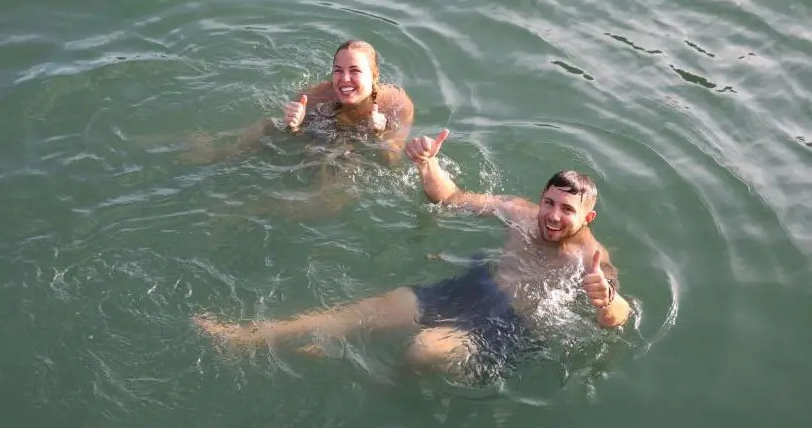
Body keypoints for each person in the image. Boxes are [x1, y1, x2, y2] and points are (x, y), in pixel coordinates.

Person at [193, 129, 630, 379]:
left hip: (506, 326)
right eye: (550, 203)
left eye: (567, 210)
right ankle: (248, 337)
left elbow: (618, 316)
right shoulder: (521, 213)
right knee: (366, 310)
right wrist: (428, 165)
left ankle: (382, 383)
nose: (553, 215)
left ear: (587, 217)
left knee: (423, 351)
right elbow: (451, 197)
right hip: (472, 288)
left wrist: (606, 300)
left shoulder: (589, 257)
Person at [187, 40, 415, 167]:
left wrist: (379, 136)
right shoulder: (317, 95)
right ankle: (216, 154)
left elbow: (393, 163)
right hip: (322, 140)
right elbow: (295, 141)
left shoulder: (396, 104)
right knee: (267, 125)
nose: (344, 79)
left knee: (340, 169)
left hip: (350, 155)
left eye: (355, 71)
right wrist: (294, 127)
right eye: (338, 71)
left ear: (374, 76)